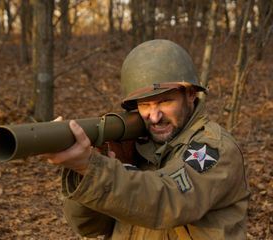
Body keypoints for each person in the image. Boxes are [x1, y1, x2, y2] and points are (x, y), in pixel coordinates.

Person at [46, 40, 250, 239]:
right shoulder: (138, 146)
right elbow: (88, 227)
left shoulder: (215, 147)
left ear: (189, 94)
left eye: (165, 101)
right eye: (145, 105)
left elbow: (169, 201)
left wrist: (93, 168)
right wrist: (88, 174)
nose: (154, 117)